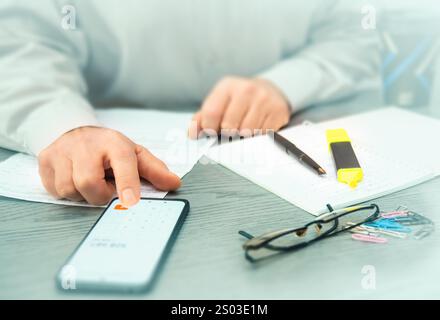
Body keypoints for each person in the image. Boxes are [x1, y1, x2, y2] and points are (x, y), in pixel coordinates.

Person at [0, 0, 380, 207]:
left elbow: (356, 35)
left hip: (274, 161)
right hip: (117, 167)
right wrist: (65, 126)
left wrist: (284, 86)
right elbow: (20, 44)